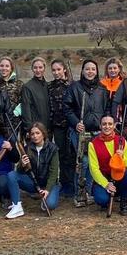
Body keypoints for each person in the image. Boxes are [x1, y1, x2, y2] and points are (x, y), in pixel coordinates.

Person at [65, 59, 107, 204]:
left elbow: (106, 109)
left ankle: (89, 192)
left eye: (93, 69)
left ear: (97, 71)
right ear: (82, 71)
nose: (90, 72)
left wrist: (104, 124)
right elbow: (67, 108)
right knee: (82, 161)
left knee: (93, 163)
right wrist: (76, 122)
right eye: (87, 69)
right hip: (81, 133)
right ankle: (79, 193)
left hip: (97, 132)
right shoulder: (74, 87)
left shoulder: (102, 89)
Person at [88, 115, 127, 215]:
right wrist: (106, 184)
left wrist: (122, 158)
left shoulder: (122, 141)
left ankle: (123, 202)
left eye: (110, 124)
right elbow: (94, 169)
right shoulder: (92, 144)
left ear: (114, 126)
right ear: (100, 126)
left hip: (119, 177)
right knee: (101, 199)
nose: (107, 126)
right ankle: (106, 199)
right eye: (104, 124)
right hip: (104, 178)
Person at [15, 123, 62, 213]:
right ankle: (16, 205)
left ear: (43, 134)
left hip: (48, 183)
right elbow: (19, 171)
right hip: (34, 183)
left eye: (37, 133)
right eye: (32, 134)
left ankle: (47, 194)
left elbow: (54, 172)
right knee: (12, 175)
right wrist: (22, 164)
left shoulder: (53, 149)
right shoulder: (27, 148)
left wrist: (47, 190)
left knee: (50, 204)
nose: (35, 136)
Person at [47, 60, 74, 198]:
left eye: (59, 69)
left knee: (73, 155)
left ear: (64, 70)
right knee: (62, 155)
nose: (56, 72)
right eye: (54, 70)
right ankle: (65, 184)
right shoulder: (49, 86)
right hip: (57, 126)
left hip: (72, 125)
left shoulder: (72, 85)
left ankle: (76, 183)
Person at [21, 57, 50, 128]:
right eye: (35, 68)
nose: (38, 70)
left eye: (40, 67)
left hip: (48, 128)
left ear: (44, 68)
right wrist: (28, 128)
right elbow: (26, 110)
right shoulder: (27, 87)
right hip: (35, 128)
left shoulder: (48, 86)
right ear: (32, 69)